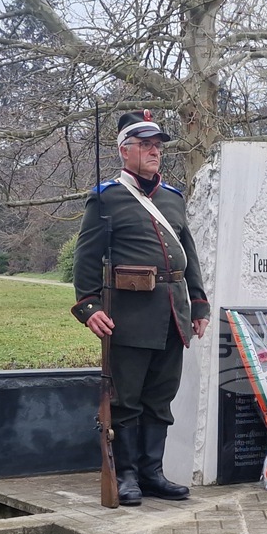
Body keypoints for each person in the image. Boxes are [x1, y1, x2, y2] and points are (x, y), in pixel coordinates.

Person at [71, 109, 211, 506]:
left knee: (160, 398)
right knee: (126, 400)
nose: (155, 152)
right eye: (146, 145)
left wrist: (198, 306)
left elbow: (188, 256)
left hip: (173, 316)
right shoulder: (107, 198)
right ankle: (128, 474)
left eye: (158, 146)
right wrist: (89, 307)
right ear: (124, 150)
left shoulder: (173, 198)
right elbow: (86, 258)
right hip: (130, 318)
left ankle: (153, 473)